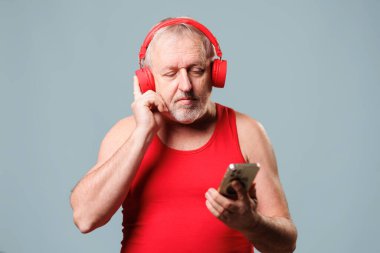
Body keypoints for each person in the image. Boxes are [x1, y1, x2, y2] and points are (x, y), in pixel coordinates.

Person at [70, 17, 297, 253]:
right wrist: (143, 134)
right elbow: (85, 218)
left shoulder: (247, 132)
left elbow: (286, 245)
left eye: (196, 70)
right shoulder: (126, 134)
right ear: (147, 80)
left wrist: (252, 224)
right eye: (170, 74)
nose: (186, 85)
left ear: (215, 73)